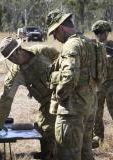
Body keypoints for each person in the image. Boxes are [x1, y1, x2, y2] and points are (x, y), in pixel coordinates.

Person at [0, 37, 60, 160]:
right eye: (8, 58)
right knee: (45, 129)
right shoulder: (15, 74)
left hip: (64, 96)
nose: (12, 60)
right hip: (47, 104)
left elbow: (64, 62)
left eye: (12, 55)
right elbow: (6, 99)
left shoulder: (42, 51)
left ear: (19, 49)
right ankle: (48, 156)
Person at [46, 9, 106, 160]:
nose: (54, 37)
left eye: (54, 32)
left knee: (67, 155)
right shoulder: (89, 43)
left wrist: (59, 97)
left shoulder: (71, 45)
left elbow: (69, 78)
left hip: (71, 113)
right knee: (86, 153)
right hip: (89, 107)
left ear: (61, 28)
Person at [92, 20, 113, 147]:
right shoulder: (93, 47)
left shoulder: (111, 46)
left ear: (107, 32)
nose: (99, 35)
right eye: (97, 32)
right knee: (96, 113)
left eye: (101, 32)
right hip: (98, 85)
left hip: (111, 84)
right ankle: (98, 138)